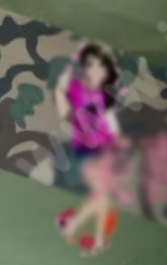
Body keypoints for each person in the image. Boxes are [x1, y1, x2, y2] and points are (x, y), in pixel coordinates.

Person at [55, 42, 127, 256]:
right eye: (91, 65)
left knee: (102, 195)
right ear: (84, 68)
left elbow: (107, 117)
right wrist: (60, 90)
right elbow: (65, 114)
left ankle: (87, 234)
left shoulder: (105, 93)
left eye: (101, 66)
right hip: (87, 148)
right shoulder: (76, 88)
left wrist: (117, 138)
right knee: (102, 196)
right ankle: (83, 232)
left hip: (106, 146)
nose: (96, 71)